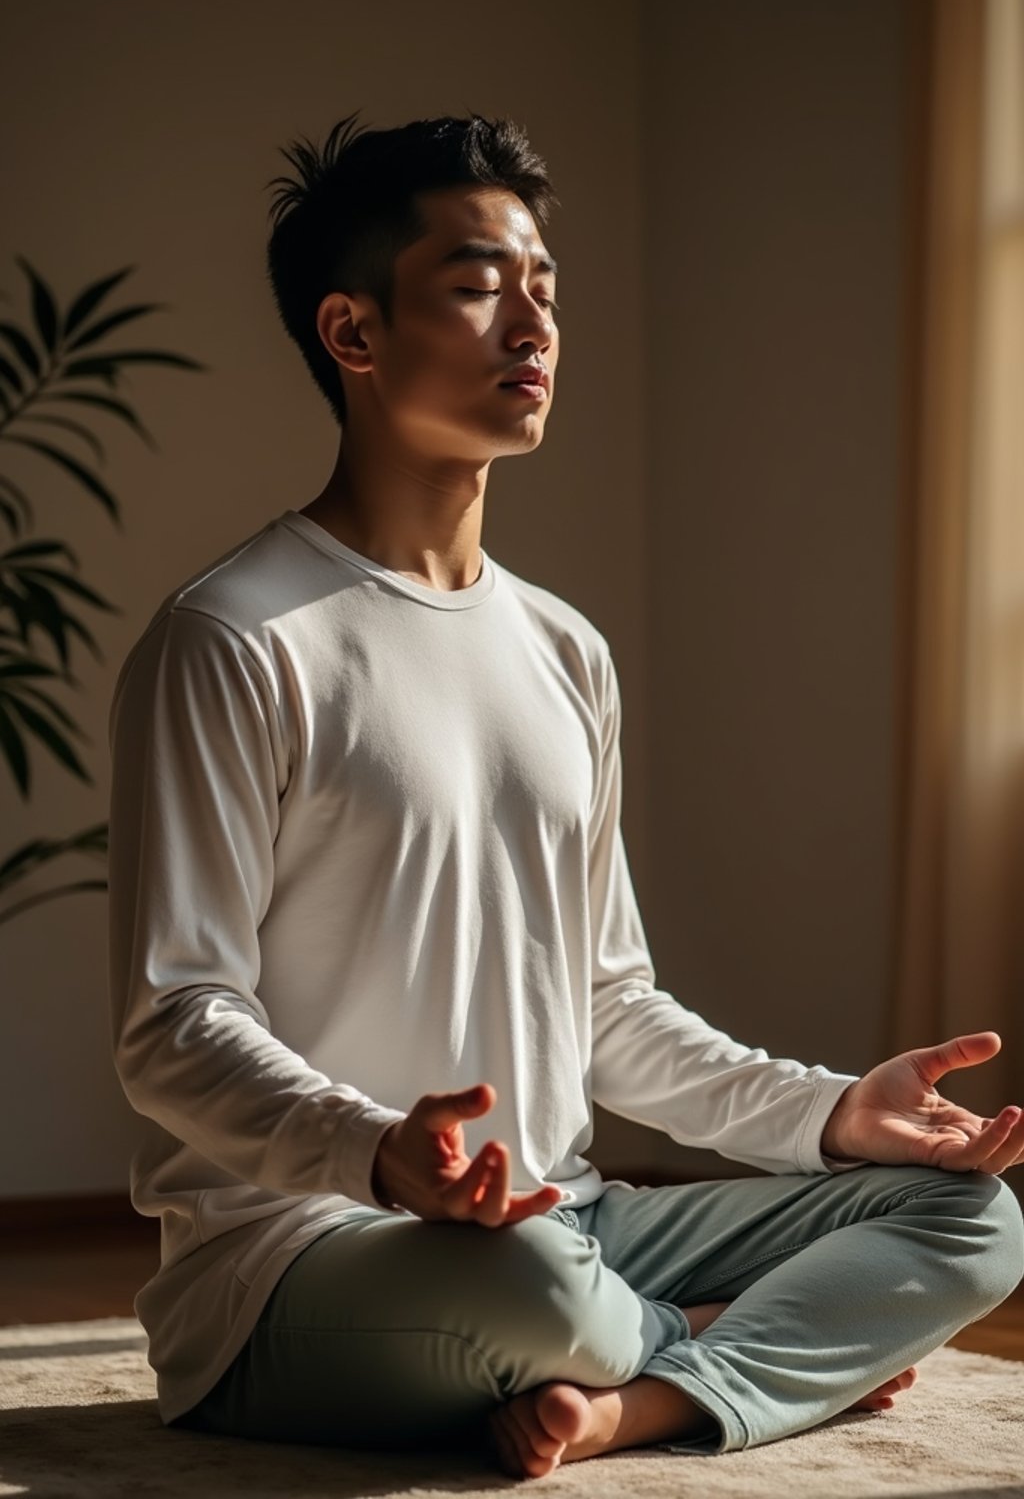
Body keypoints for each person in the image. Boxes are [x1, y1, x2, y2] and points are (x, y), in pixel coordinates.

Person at [107, 112, 1024, 1480]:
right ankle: (731, 1349)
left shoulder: (562, 649)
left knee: (972, 1225)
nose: (531, 325)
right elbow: (175, 1023)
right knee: (534, 1294)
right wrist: (377, 1155)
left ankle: (632, 1399)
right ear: (353, 335)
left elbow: (606, 1005)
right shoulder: (234, 638)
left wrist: (832, 1115)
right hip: (304, 1260)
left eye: (544, 288)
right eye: (478, 288)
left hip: (570, 1220)